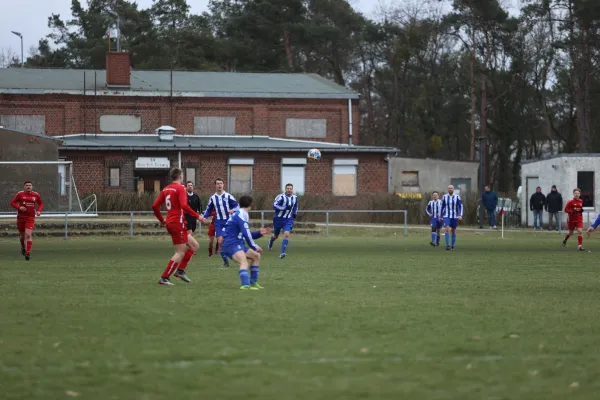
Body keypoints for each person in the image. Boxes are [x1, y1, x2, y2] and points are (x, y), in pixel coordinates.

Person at [152, 168, 201, 285]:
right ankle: (164, 277)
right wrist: (197, 216)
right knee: (179, 252)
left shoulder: (166, 189)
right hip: (176, 223)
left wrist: (162, 220)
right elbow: (184, 205)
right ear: (180, 176)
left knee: (194, 246)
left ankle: (180, 271)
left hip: (173, 222)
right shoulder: (180, 188)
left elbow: (155, 206)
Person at [220, 195, 270, 290]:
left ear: (239, 204)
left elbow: (244, 233)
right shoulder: (241, 215)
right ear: (251, 205)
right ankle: (245, 285)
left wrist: (259, 233)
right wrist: (255, 246)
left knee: (256, 256)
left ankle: (253, 283)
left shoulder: (241, 213)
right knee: (244, 262)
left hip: (237, 243)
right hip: (231, 244)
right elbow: (246, 234)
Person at [201, 178, 239, 268]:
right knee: (220, 241)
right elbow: (208, 210)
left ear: (223, 185)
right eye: (218, 183)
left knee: (229, 242)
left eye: (221, 183)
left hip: (228, 222)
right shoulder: (213, 198)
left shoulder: (228, 196)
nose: (219, 185)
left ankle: (236, 256)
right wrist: (204, 217)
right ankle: (226, 262)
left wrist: (233, 210)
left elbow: (237, 205)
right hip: (218, 222)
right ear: (215, 185)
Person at [10, 181, 44, 261]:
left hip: (30, 218)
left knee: (28, 235)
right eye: (27, 185)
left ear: (32, 187)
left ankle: (27, 253)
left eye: (30, 185)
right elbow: (12, 203)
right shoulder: (20, 194)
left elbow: (41, 203)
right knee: (22, 236)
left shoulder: (36, 195)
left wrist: (39, 211)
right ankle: (22, 247)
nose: (28, 186)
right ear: (24, 187)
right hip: (21, 218)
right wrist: (19, 207)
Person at [268, 183, 299, 259]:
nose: (289, 190)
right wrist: (283, 208)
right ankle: (271, 242)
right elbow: (274, 205)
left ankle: (282, 253)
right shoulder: (280, 197)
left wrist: (294, 213)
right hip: (278, 219)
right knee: (276, 236)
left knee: (286, 234)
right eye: (288, 188)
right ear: (285, 189)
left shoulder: (295, 198)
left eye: (290, 189)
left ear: (292, 189)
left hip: (288, 219)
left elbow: (296, 206)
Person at [440, 185, 463, 251]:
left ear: (453, 189)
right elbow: (442, 206)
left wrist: (460, 215)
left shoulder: (457, 196)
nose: (450, 189)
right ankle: (447, 245)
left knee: (453, 231)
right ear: (448, 189)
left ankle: (452, 245)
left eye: (451, 188)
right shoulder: (445, 196)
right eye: (449, 188)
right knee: (447, 229)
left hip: (455, 216)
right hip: (446, 216)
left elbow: (460, 206)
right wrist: (441, 215)